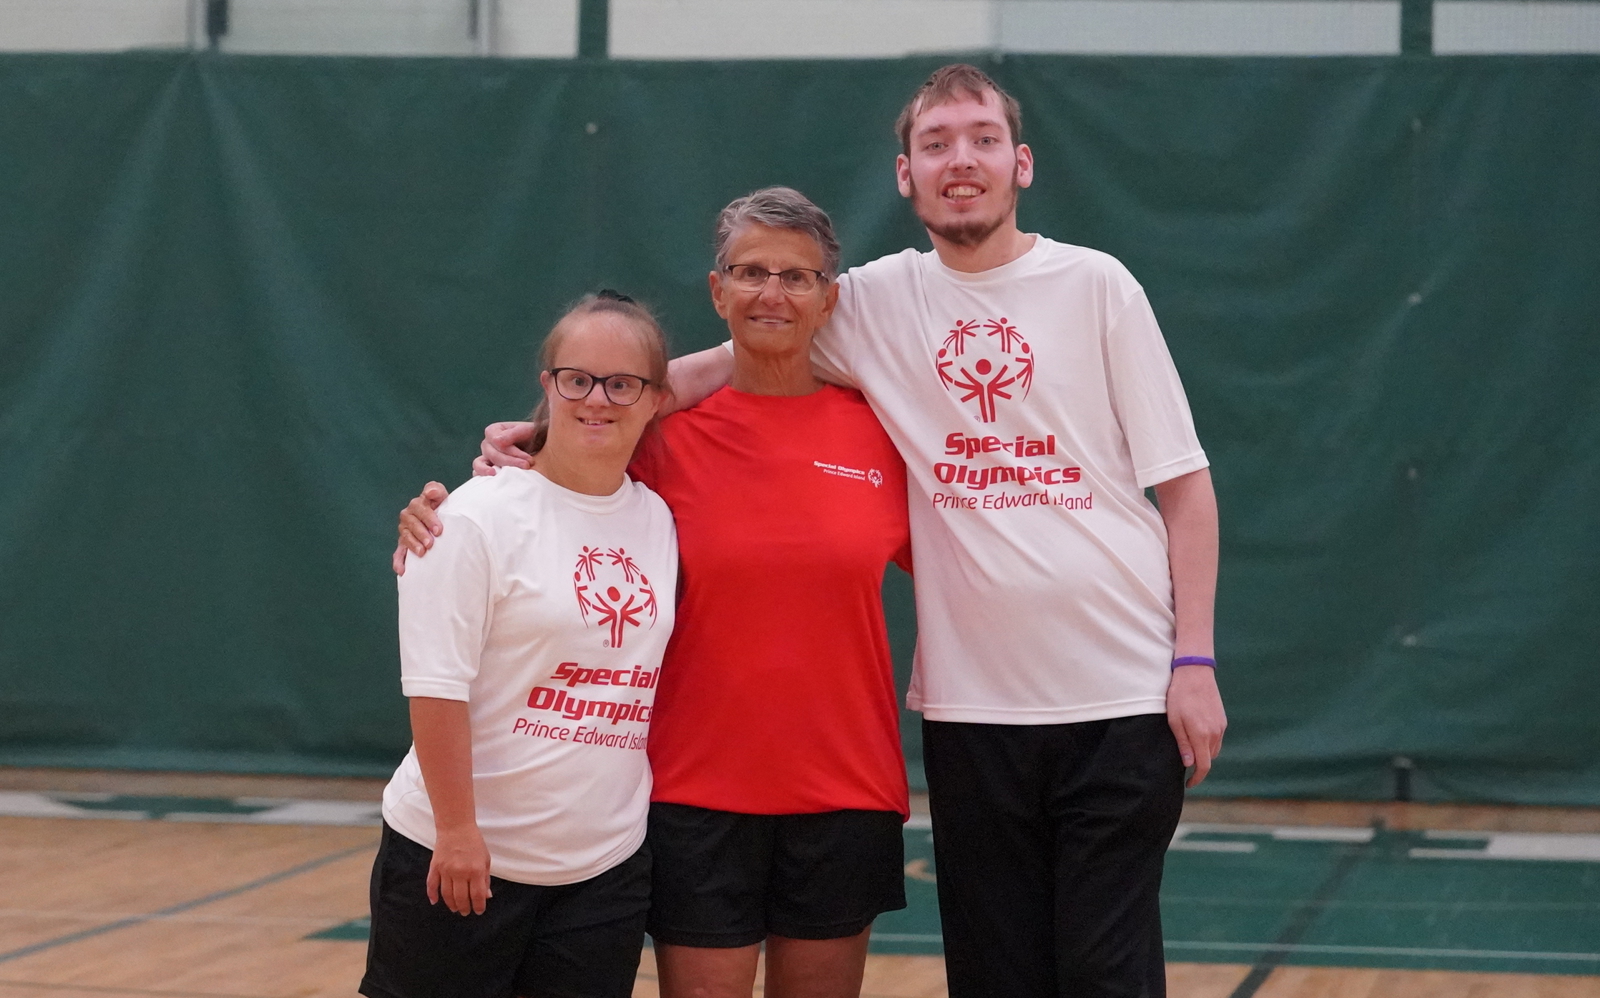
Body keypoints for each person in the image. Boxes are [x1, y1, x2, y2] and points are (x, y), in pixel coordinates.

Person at [466, 65, 1228, 998]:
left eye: (983, 139)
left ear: (1020, 163)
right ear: (904, 175)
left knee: (1107, 971)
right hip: (971, 712)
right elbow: (732, 356)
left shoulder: (1097, 285)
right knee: (995, 974)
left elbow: (1185, 485)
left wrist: (1194, 663)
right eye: (937, 143)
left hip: (1120, 695)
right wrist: (546, 430)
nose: (962, 160)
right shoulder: (871, 302)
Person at [397, 188, 913, 998]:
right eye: (750, 272)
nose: (771, 293)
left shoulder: (885, 432)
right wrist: (446, 513)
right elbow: (553, 485)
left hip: (848, 792)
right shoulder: (655, 438)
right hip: (692, 797)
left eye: (796, 276)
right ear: (718, 291)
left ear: (829, 298)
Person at [363, 292, 678, 998]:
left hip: (603, 874)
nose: (597, 399)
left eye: (623, 383)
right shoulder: (472, 518)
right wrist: (458, 830)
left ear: (657, 398)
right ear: (547, 386)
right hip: (463, 858)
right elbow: (436, 685)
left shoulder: (657, 516)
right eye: (577, 379)